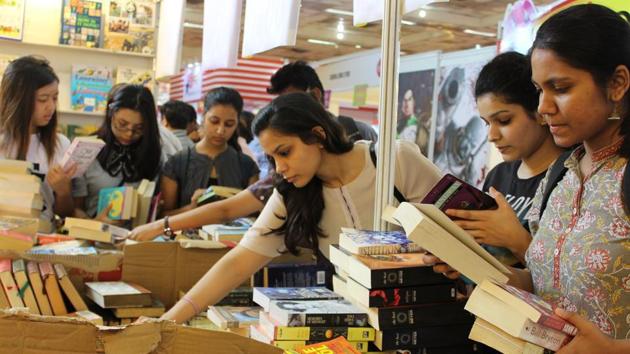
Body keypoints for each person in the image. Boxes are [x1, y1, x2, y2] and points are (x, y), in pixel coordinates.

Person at [429, 5, 630, 352]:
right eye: (539, 90)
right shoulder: (561, 173)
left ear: (617, 83)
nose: (543, 107)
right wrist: (474, 266)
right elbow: (542, 284)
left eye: (561, 88)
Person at [152, 92, 441, 324]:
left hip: (429, 315)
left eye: (285, 152)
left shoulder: (395, 160)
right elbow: (239, 262)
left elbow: (457, 220)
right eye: (272, 158)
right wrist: (169, 320)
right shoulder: (291, 194)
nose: (280, 168)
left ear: (317, 135)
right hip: (358, 327)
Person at [128, 63, 380, 242]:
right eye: (274, 158)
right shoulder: (287, 181)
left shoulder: (381, 154)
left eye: (228, 124)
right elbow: (231, 214)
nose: (280, 166)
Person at [448, 52, 564, 266]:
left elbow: (565, 280)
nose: (492, 136)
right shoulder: (498, 175)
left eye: (503, 120)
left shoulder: (567, 179)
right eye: (486, 123)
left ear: (539, 111)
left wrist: (516, 241)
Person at [159, 87, 259, 216]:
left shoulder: (246, 165)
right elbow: (163, 216)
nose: (220, 130)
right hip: (184, 235)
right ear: (203, 116)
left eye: (229, 124)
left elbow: (255, 215)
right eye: (214, 121)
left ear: (236, 124)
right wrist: (191, 208)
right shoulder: (177, 162)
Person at [0, 56, 76, 224]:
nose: (51, 106)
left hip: (43, 240)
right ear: (18, 99)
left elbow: (64, 214)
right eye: (42, 99)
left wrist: (63, 192)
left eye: (55, 98)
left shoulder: (61, 144)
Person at [72, 84, 162, 219]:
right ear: (110, 114)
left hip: (136, 237)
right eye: (122, 124)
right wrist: (94, 224)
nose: (129, 134)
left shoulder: (155, 154)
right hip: (92, 234)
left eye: (139, 128)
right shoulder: (87, 148)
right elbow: (74, 208)